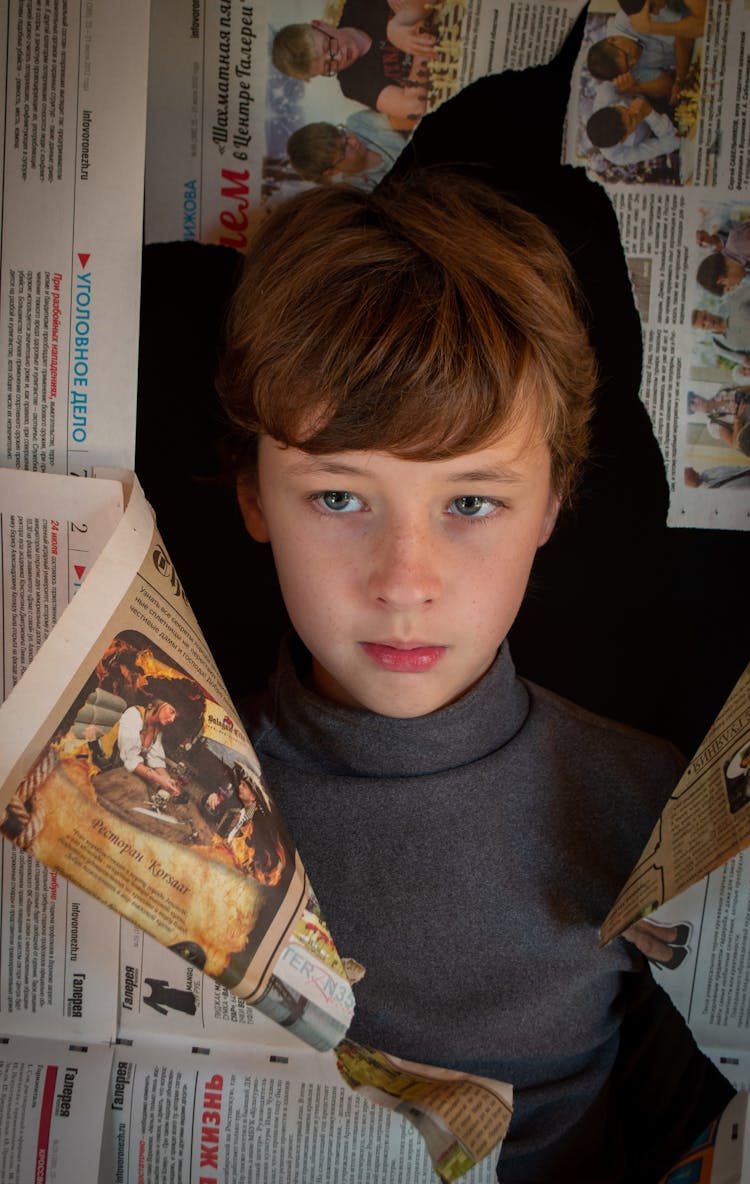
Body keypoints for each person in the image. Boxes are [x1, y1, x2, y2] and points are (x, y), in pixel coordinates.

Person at [217, 173, 734, 1181]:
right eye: (337, 494)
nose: (404, 582)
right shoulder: (166, 791)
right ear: (254, 495)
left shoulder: (647, 800)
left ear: (552, 503)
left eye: (472, 504)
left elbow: (689, 1111)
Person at [272, 1, 436, 128]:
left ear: (321, 25)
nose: (339, 56)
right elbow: (414, 108)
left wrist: (398, 25)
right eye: (329, 66)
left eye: (329, 46)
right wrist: (421, 47)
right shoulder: (351, 84)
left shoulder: (360, 4)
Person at [286, 114, 407, 189]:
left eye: (343, 133)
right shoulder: (360, 189)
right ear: (332, 171)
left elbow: (407, 120)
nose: (353, 141)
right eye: (344, 149)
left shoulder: (358, 122)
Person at [586, 94, 680, 166]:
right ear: (624, 138)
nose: (634, 111)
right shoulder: (618, 156)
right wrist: (649, 113)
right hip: (658, 127)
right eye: (631, 120)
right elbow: (674, 142)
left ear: (612, 106)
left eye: (622, 109)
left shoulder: (606, 94)